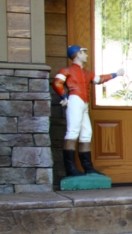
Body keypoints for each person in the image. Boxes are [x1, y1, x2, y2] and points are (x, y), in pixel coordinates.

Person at [52, 45, 124, 177]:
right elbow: (57, 82)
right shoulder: (66, 70)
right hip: (75, 100)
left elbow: (98, 79)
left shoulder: (85, 72)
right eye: (83, 53)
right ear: (78, 54)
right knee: (73, 132)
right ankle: (70, 169)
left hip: (84, 103)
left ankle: (88, 168)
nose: (86, 55)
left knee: (86, 133)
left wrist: (115, 74)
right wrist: (63, 96)